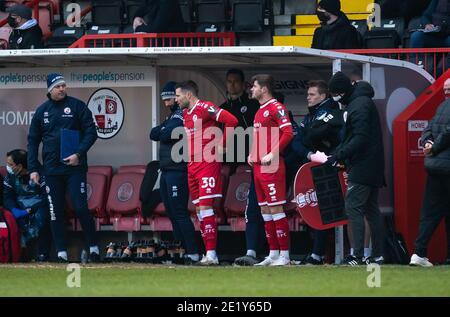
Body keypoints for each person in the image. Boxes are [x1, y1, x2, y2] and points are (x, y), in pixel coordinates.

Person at [27, 73, 99, 263]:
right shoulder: (42, 111)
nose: (62, 89)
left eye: (64, 86)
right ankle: (61, 253)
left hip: (75, 168)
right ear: (50, 90)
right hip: (51, 171)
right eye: (58, 86)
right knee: (54, 211)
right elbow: (33, 141)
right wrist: (33, 168)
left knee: (81, 207)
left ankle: (94, 249)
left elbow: (91, 132)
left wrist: (79, 154)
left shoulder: (77, 106)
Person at [175, 80, 238, 265]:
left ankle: (211, 254)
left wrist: (222, 145)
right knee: (199, 211)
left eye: (178, 96)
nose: (176, 99)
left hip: (207, 164)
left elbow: (231, 120)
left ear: (188, 95)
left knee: (205, 207)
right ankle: (208, 254)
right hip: (192, 165)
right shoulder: (186, 113)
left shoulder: (206, 107)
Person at [327, 71, 385, 266]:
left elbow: (359, 138)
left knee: (353, 207)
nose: (334, 97)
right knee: (371, 210)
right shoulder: (361, 101)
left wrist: (339, 155)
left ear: (341, 92)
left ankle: (357, 255)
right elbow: (355, 137)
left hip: (363, 165)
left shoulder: (358, 105)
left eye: (334, 93)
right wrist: (339, 152)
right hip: (372, 164)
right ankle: (378, 254)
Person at [216, 69, 266, 266]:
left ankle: (260, 249)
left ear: (244, 84)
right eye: (229, 82)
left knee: (256, 206)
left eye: (236, 82)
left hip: (252, 162)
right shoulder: (222, 108)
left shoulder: (253, 105)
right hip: (229, 163)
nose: (232, 85)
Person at [294, 80, 344, 264]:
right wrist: (309, 153)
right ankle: (315, 253)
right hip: (310, 166)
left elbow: (316, 136)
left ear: (323, 96)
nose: (308, 97)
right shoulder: (309, 116)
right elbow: (297, 141)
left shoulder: (332, 112)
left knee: (324, 211)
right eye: (308, 94)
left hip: (329, 168)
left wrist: (324, 153)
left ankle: (321, 254)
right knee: (311, 209)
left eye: (312, 94)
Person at [150, 81, 200, 265]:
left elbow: (167, 133)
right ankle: (181, 251)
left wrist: (163, 130)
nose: (168, 103)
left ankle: (193, 252)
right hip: (166, 170)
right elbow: (153, 133)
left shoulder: (181, 115)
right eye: (165, 100)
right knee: (171, 212)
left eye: (170, 98)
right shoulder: (171, 116)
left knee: (179, 212)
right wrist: (163, 129)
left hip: (178, 170)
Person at [249, 74, 294, 266]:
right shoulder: (259, 111)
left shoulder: (277, 108)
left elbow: (288, 133)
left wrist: (273, 154)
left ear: (264, 89)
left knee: (276, 209)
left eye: (254, 86)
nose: (251, 89)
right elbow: (260, 137)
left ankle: (285, 256)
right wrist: (252, 154)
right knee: (265, 210)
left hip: (272, 166)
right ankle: (273, 254)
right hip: (258, 167)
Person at [410, 77, 450, 267]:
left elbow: (428, 129)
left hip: (434, 167)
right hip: (446, 165)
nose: (446, 93)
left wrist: (428, 143)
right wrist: (433, 147)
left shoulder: (441, 106)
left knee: (431, 213)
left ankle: (419, 252)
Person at [3, 149, 51, 261]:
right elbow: (7, 197)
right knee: (8, 216)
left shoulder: (40, 173)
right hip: (19, 207)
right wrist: (13, 209)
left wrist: (30, 210)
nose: (7, 167)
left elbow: (47, 197)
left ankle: (42, 255)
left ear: (20, 166)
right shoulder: (10, 176)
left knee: (43, 215)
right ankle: (16, 255)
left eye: (10, 164)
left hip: (39, 206)